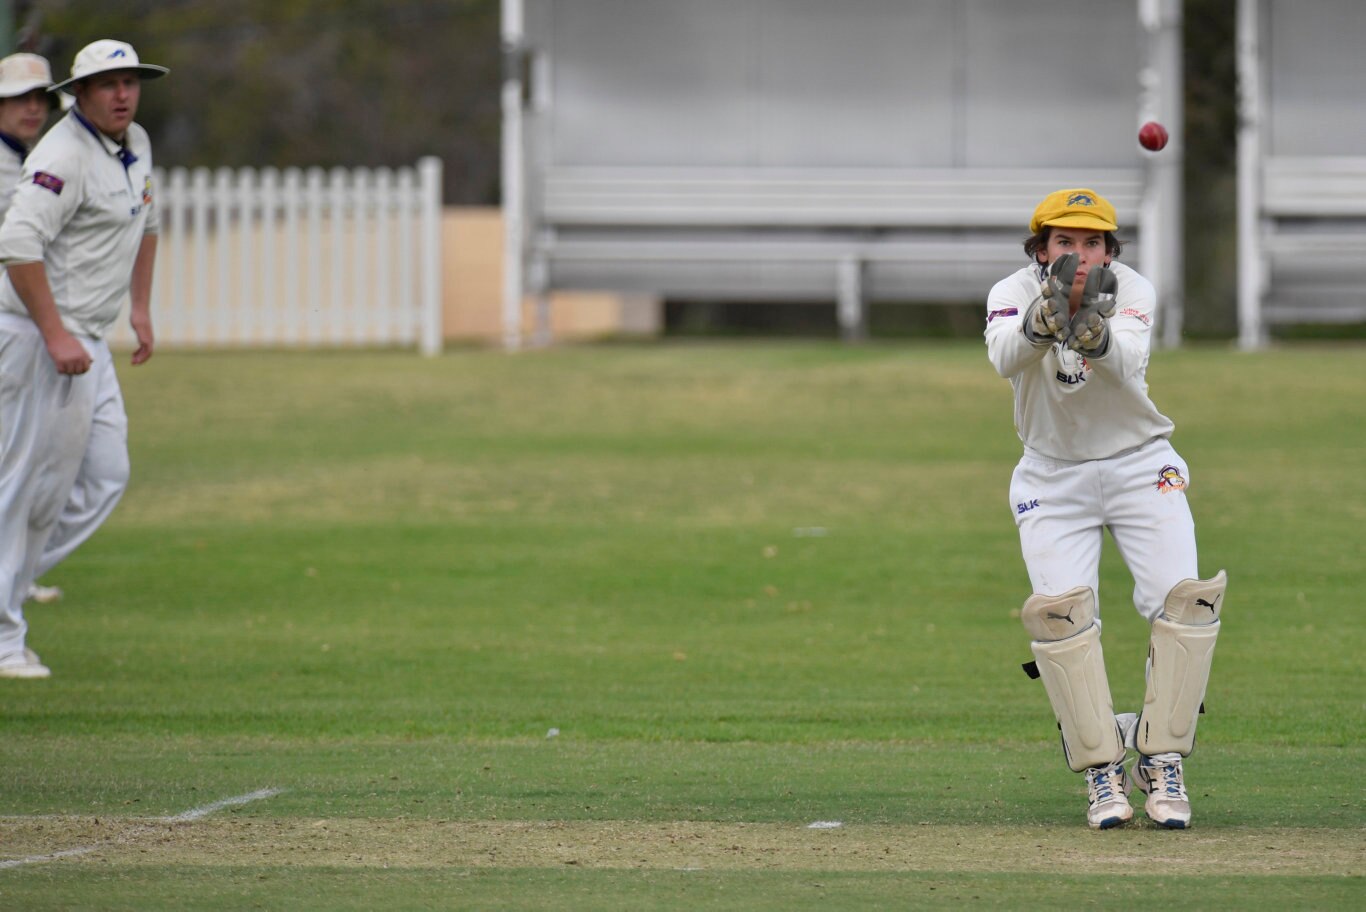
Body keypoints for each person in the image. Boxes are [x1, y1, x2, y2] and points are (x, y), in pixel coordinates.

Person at [983, 188, 1225, 829]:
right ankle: (1101, 773)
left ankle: (1163, 761)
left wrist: (1091, 328)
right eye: (1066, 241)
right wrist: (1044, 318)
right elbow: (1006, 357)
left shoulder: (1135, 291)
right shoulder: (1007, 290)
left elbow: (1127, 364)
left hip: (1139, 464)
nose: (1081, 253)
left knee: (1187, 605)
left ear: (1110, 250)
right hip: (1051, 476)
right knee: (1061, 620)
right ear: (1041, 249)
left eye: (1093, 242)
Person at [0, 39, 168, 679]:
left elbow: (146, 223)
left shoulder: (136, 142)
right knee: (23, 486)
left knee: (104, 475)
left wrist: (141, 308)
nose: (122, 94)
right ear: (79, 93)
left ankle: (10, 584)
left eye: (130, 82)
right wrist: (55, 335)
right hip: (36, 338)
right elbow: (17, 242)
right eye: (107, 84)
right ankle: (4, 636)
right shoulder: (62, 154)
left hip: (88, 339)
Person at [0, 52, 66, 606]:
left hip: (26, 327)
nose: (32, 107)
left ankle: (15, 574)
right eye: (20, 97)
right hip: (8, 330)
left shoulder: (40, 160)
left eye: (39, 97)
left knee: (33, 460)